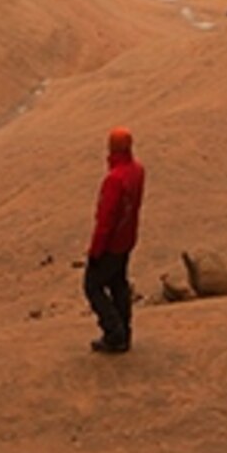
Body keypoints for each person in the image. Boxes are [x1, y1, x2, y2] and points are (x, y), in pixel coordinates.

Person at [83, 125, 145, 353]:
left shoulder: (115, 179)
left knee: (92, 285)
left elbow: (105, 220)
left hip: (111, 244)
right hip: (127, 239)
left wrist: (95, 251)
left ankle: (114, 333)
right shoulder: (137, 170)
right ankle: (124, 332)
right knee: (118, 283)